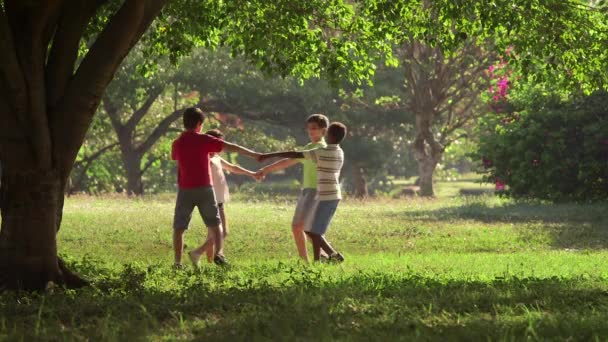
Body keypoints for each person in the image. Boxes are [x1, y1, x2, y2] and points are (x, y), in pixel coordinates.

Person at [171, 107, 259, 268]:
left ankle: (177, 262)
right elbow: (230, 146)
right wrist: (255, 155)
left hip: (185, 190)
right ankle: (219, 254)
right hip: (205, 188)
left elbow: (174, 156)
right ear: (199, 124)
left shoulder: (178, 142)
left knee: (179, 227)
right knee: (215, 224)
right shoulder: (204, 140)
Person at [259, 122, 347, 262]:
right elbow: (297, 155)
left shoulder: (321, 152)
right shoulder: (339, 152)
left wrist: (268, 155)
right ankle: (319, 259)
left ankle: (333, 256)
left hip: (325, 195)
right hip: (332, 194)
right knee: (312, 230)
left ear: (328, 134)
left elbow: (295, 154)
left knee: (311, 231)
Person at [203, 129, 259, 263]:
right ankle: (199, 253)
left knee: (212, 233)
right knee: (222, 232)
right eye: (218, 143)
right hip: (212, 199)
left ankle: (209, 261)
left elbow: (232, 167)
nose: (220, 147)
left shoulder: (216, 157)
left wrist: (251, 173)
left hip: (219, 199)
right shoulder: (204, 157)